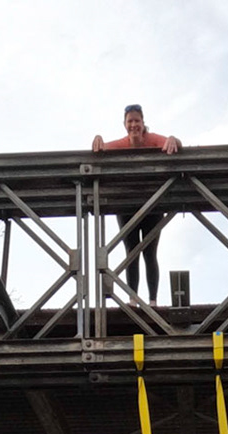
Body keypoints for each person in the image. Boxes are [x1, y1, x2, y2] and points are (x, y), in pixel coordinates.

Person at [91, 104, 182, 304]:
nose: (134, 125)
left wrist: (174, 139)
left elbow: (172, 143)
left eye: (137, 121)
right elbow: (101, 149)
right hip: (127, 204)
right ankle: (133, 299)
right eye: (130, 121)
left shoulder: (153, 140)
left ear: (143, 123)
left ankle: (152, 301)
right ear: (125, 124)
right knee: (131, 251)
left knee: (150, 252)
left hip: (153, 203)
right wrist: (98, 138)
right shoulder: (121, 143)